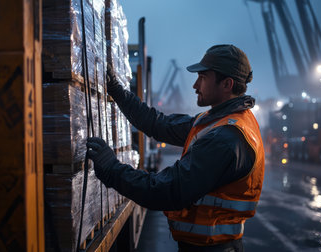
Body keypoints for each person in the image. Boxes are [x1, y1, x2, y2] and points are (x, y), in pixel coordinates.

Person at [86, 44, 265, 252]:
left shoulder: (227, 138)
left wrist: (111, 169)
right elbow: (158, 124)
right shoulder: (214, 122)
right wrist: (118, 92)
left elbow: (167, 190)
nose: (195, 85)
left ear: (227, 84)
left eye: (203, 77)